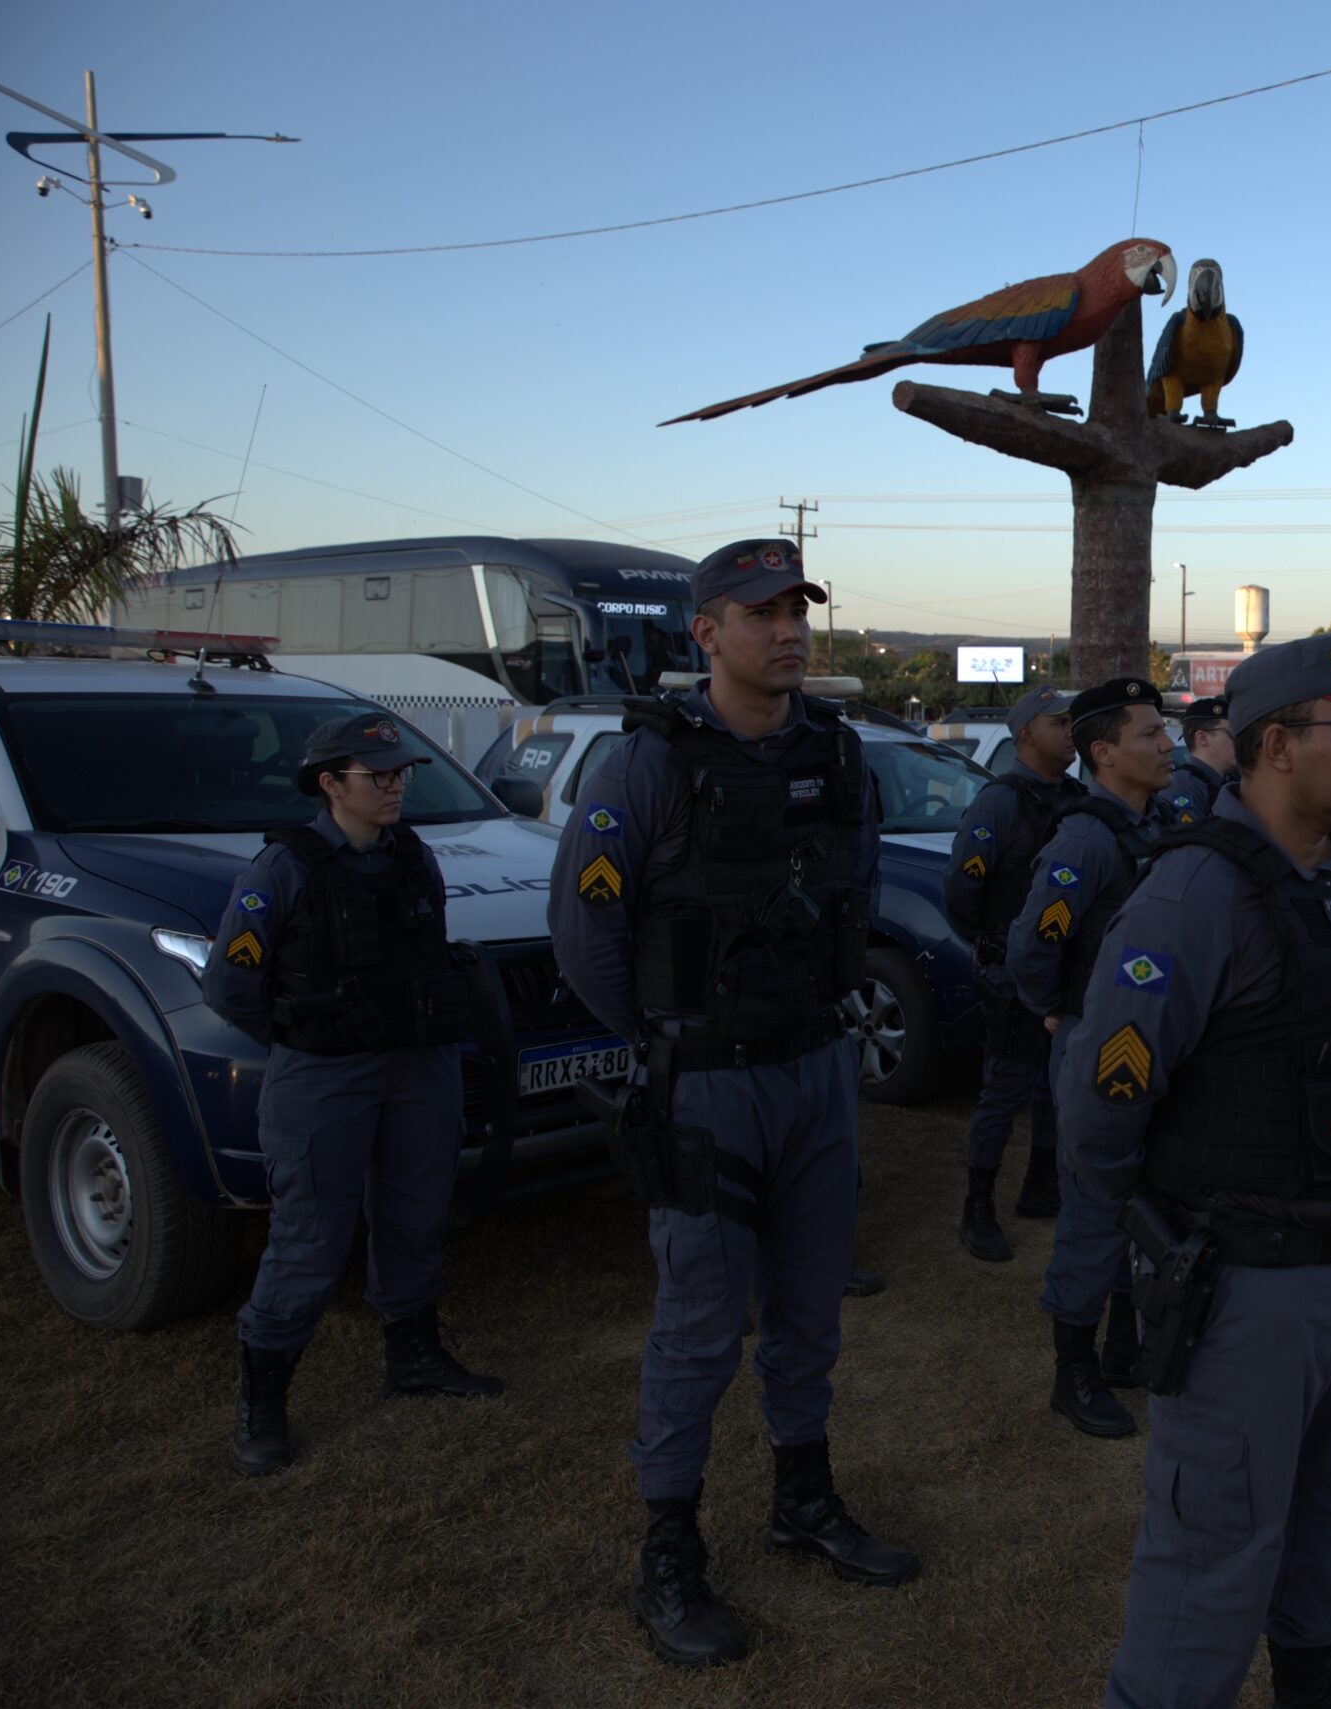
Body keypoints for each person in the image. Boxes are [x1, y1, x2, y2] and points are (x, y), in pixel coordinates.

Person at [549, 539, 916, 1668]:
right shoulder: (645, 765)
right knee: (701, 1325)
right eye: (761, 612)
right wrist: (674, 1038)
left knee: (809, 1309)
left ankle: (802, 1498)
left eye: (798, 608)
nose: (789, 629)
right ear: (705, 631)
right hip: (707, 1081)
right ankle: (670, 1546)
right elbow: (585, 938)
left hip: (817, 1074)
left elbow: (852, 900)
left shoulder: (839, 755)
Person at [1057, 632, 1331, 1709]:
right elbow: (1102, 1101)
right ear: (1274, 745)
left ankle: (1311, 1673)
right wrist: (1159, 1227)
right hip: (1246, 1276)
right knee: (1215, 1537)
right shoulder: (1194, 895)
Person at [207, 713, 501, 1479]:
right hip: (325, 1073)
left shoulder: (414, 856)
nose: (397, 784)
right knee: (310, 1237)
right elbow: (231, 983)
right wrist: (310, 1030)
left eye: (401, 772)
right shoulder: (283, 868)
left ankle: (414, 1357)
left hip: (415, 1068)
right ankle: (263, 1406)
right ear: (331, 784)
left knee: (415, 1213)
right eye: (379, 775)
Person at [1008, 675, 1175, 1440]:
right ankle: (1070, 1370)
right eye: (1150, 734)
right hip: (1091, 1040)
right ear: (1104, 752)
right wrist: (1056, 1013)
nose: (1167, 744)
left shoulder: (1155, 823)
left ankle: (1120, 1346)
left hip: (1146, 1042)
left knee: (1137, 1199)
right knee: (1090, 1207)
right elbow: (1035, 941)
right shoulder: (1086, 837)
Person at [942, 684, 1082, 1262]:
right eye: (1059, 723)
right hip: (1012, 974)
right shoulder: (1000, 802)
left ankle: (1042, 1189)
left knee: (1055, 1087)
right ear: (1027, 734)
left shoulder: (1074, 796)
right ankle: (978, 1209)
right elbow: (962, 888)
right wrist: (992, 947)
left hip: (1062, 971)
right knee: (1005, 1090)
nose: (1071, 732)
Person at [1165, 695, 1235, 822]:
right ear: (1202, 738)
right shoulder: (1183, 786)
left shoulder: (1229, 780)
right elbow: (1187, 837)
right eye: (1232, 733)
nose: (1239, 741)